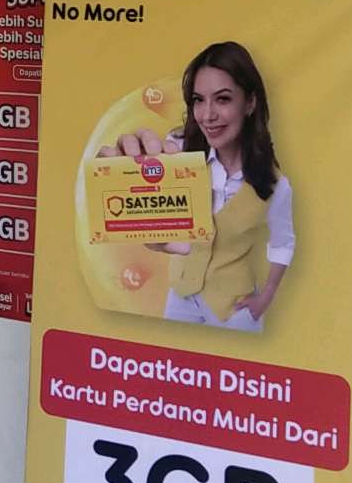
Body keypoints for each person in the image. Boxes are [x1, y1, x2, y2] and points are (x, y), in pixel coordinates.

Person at [115, 41, 293, 331]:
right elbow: (155, 230)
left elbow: (283, 243)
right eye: (198, 100)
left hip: (234, 310)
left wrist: (267, 296)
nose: (207, 115)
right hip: (180, 298)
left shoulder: (274, 183)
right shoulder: (177, 153)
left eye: (222, 99)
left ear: (250, 102)